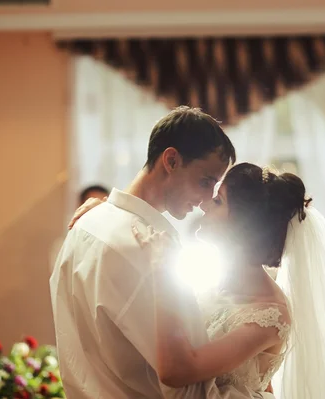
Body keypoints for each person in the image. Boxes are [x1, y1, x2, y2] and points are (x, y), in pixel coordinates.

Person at [71, 163, 325, 398]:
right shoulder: (210, 277)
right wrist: (108, 215)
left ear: (242, 225)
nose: (203, 204)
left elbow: (178, 371)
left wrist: (162, 273)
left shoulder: (270, 315)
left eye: (217, 201)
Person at [51, 106, 246, 399]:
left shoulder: (85, 225)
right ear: (171, 160)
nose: (207, 198)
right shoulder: (150, 249)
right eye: (205, 181)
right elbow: (187, 386)